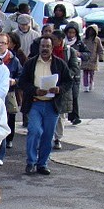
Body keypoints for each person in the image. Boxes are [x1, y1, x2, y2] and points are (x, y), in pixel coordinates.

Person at [18, 35, 72, 175]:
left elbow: (68, 82)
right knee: (35, 131)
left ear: (52, 48)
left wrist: (59, 89)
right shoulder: (31, 63)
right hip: (35, 103)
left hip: (52, 104)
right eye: (43, 46)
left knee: (48, 135)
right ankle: (31, 162)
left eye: (48, 46)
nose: (45, 49)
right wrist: (35, 90)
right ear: (39, 47)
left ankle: (42, 163)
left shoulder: (59, 64)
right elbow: (22, 82)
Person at [50, 29, 80, 149]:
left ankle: (58, 138)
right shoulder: (48, 50)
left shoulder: (69, 51)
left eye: (54, 39)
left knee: (61, 114)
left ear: (60, 40)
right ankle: (48, 137)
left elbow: (74, 67)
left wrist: (66, 76)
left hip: (63, 86)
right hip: (49, 84)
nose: (52, 42)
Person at [63, 22, 90, 125]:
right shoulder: (62, 42)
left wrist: (80, 54)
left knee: (74, 94)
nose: (71, 35)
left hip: (75, 72)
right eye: (69, 32)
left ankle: (74, 116)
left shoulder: (79, 43)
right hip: (64, 70)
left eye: (73, 32)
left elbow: (88, 54)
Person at [81, 24, 104, 92]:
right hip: (85, 58)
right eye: (89, 30)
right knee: (85, 73)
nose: (90, 32)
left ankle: (91, 83)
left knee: (91, 73)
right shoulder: (84, 39)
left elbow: (100, 49)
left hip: (93, 59)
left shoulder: (97, 40)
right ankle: (85, 85)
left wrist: (101, 57)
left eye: (92, 31)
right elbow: (80, 48)